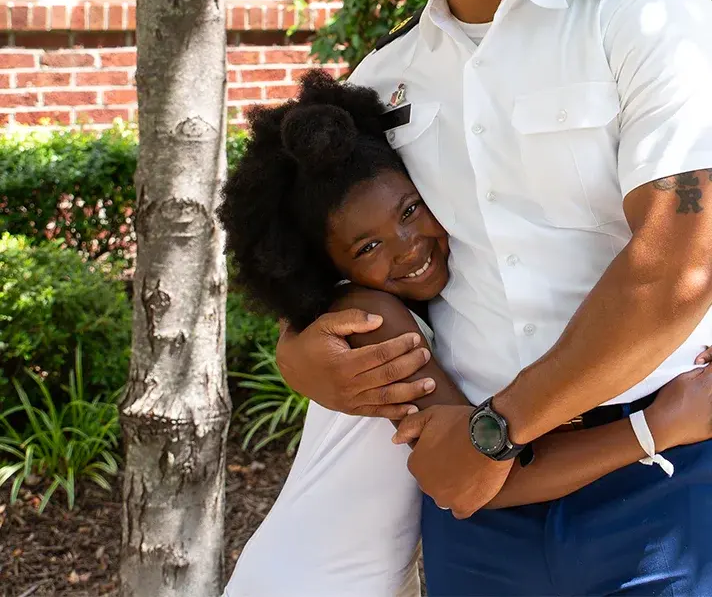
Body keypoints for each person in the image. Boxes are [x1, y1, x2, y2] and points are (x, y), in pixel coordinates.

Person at [229, 0, 712, 597]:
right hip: (482, 508)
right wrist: (298, 347)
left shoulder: (646, 20)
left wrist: (494, 433)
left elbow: (679, 264)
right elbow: (340, 257)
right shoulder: (381, 83)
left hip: (665, 473)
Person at [221, 69, 712, 596]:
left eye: (410, 210)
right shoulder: (372, 322)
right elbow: (478, 480)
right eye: (368, 247)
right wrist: (659, 425)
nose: (407, 246)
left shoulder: (417, 305)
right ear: (325, 266)